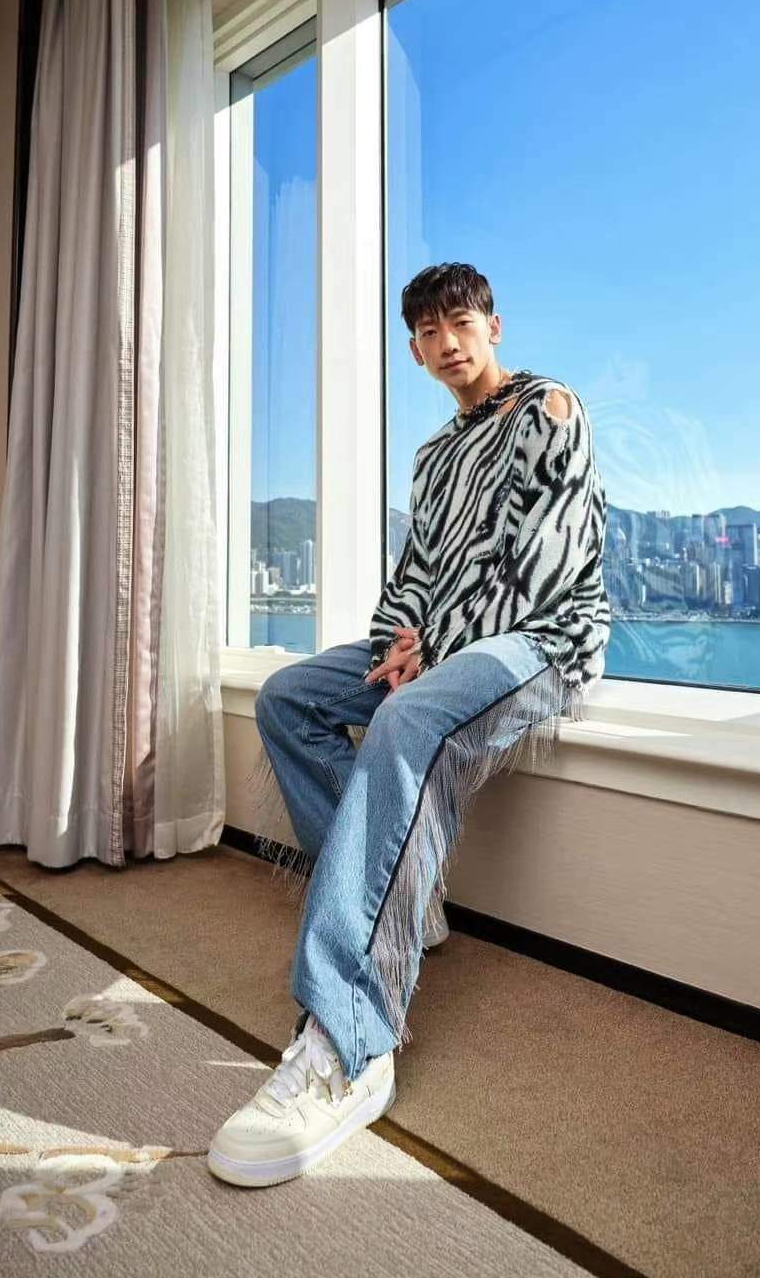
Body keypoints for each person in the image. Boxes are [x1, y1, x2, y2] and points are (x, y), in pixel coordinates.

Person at [207, 262, 611, 1187]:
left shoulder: (550, 411)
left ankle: (350, 1040)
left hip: (538, 641)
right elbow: (416, 574)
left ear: (494, 326)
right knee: (289, 698)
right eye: (427, 333)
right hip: (438, 643)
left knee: (403, 720)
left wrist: (427, 658)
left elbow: (539, 574)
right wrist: (399, 640)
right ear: (416, 351)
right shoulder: (434, 456)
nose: (445, 343)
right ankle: (405, 905)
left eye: (459, 323)